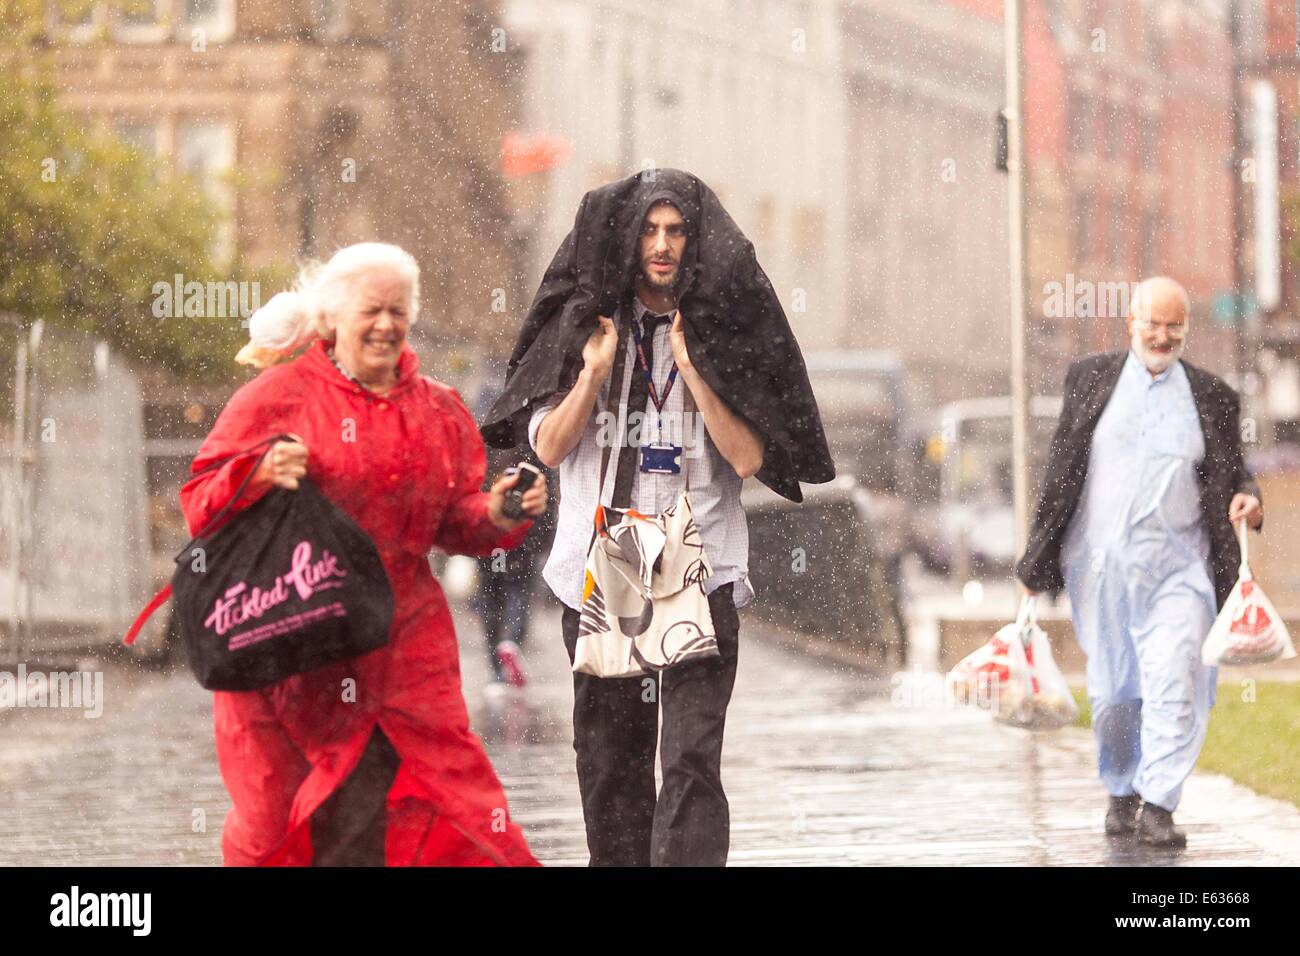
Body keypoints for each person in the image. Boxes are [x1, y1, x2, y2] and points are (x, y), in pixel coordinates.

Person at [182, 242, 547, 866]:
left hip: (403, 645)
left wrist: (497, 512)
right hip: (296, 643)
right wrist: (259, 472)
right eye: (371, 310)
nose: (387, 325)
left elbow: (453, 519)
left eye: (398, 311)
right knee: (290, 819)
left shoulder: (437, 408)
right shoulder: (278, 398)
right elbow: (200, 503)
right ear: (330, 319)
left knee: (445, 801)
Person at [1015, 276, 1263, 848]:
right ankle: (1122, 789)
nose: (1163, 335)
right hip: (1100, 569)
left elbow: (1234, 468)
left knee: (1175, 678)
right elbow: (1061, 475)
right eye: (1153, 323)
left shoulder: (1213, 396)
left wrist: (1250, 494)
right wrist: (1035, 565)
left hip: (1180, 570)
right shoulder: (1089, 379)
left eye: (1174, 325)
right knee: (1114, 694)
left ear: (1186, 329)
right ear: (1130, 321)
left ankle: (1159, 804)